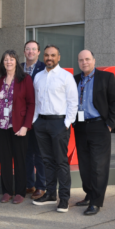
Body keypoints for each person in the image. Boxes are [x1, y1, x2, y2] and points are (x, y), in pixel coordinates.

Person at [73, 50, 115, 215]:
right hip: (80, 127)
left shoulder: (106, 78)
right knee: (84, 165)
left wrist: (109, 124)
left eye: (87, 59)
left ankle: (96, 201)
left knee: (99, 166)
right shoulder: (75, 79)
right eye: (81, 60)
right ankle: (89, 194)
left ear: (94, 60)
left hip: (100, 126)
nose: (84, 62)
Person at [32, 45, 78, 213]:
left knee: (61, 162)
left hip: (59, 123)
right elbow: (37, 102)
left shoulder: (66, 77)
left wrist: (66, 123)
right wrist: (35, 121)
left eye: (53, 55)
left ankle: (64, 199)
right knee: (47, 161)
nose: (49, 58)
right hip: (41, 123)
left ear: (59, 57)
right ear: (43, 57)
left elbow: (73, 102)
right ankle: (50, 194)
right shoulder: (38, 77)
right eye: (46, 55)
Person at [0, 50, 35, 204]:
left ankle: (20, 192)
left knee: (20, 160)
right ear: (3, 63)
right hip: (2, 127)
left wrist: (26, 126)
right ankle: (6, 191)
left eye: (11, 59)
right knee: (4, 160)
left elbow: (31, 104)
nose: (8, 62)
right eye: (6, 59)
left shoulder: (25, 79)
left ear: (16, 61)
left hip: (19, 128)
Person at [21, 40, 46, 200]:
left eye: (33, 49)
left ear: (38, 52)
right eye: (27, 49)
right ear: (24, 52)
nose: (30, 52)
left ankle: (41, 186)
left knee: (39, 153)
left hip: (38, 116)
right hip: (22, 118)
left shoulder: (44, 68)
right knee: (26, 152)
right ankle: (29, 184)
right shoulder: (18, 68)